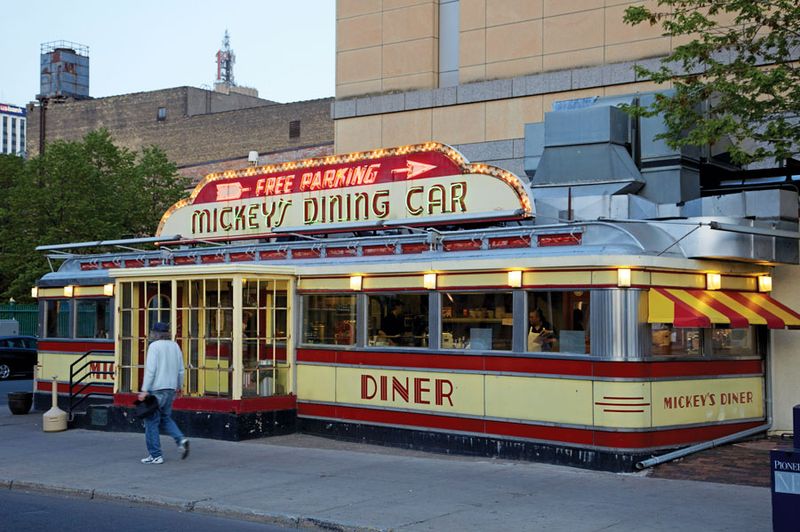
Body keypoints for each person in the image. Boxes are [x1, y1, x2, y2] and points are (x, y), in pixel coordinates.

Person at [138, 322, 189, 464]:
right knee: (165, 418)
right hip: (170, 388)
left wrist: (144, 390)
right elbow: (181, 370)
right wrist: (179, 387)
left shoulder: (154, 347)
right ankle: (181, 439)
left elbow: (150, 370)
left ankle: (155, 455)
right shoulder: (175, 346)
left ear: (155, 333)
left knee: (151, 421)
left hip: (156, 389)